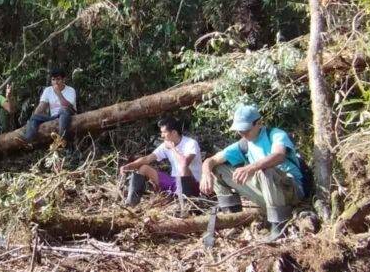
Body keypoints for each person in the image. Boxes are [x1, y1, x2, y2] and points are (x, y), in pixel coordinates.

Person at [200, 103, 305, 241]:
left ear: (259, 123)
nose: (243, 134)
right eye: (240, 131)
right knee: (217, 169)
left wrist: (251, 168)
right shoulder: (243, 145)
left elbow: (279, 155)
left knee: (266, 170)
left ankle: (278, 225)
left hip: (290, 190)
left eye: (246, 130)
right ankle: (232, 216)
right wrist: (206, 174)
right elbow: (212, 160)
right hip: (265, 192)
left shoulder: (275, 134)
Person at [120, 117, 202, 205]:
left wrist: (173, 148)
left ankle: (184, 204)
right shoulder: (165, 145)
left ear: (174, 132)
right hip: (174, 182)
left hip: (191, 185)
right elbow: (147, 159)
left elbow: (184, 162)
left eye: (164, 132)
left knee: (183, 168)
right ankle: (131, 203)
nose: (162, 135)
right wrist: (129, 166)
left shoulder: (191, 143)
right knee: (144, 168)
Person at [24, 68, 77, 145]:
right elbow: (41, 107)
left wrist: (58, 93)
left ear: (64, 80)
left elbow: (68, 106)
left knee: (63, 109)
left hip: (68, 115)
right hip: (54, 117)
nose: (56, 82)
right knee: (34, 117)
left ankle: (61, 139)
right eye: (53, 80)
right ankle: (28, 142)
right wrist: (34, 117)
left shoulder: (70, 90)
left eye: (58, 79)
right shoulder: (48, 90)